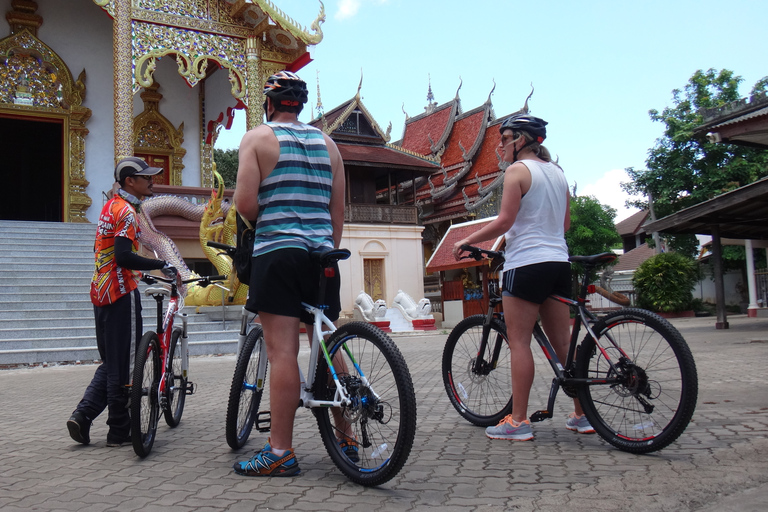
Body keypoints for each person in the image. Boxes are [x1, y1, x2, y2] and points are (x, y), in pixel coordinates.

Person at [231, 71, 347, 477]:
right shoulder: (329, 145)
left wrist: (277, 217)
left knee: (283, 352)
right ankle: (348, 437)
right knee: (327, 340)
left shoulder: (257, 139)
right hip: (323, 256)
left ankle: (280, 451)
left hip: (278, 254)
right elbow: (337, 212)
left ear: (269, 103)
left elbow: (245, 204)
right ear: (301, 104)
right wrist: (324, 248)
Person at [452, 113, 595, 441]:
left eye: (504, 139)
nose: (500, 146)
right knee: (563, 343)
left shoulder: (517, 171)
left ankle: (518, 421)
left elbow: (505, 221)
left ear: (520, 140)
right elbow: (564, 225)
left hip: (526, 263)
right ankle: (582, 414)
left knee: (518, 342)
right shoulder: (558, 173)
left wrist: (467, 240)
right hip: (559, 262)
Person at [67, 157, 176, 447]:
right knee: (126, 364)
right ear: (130, 181)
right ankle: (119, 430)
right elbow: (123, 256)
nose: (151, 181)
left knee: (112, 362)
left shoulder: (110, 206)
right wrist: (160, 264)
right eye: (146, 177)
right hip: (119, 293)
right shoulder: (127, 212)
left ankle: (83, 416)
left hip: (100, 291)